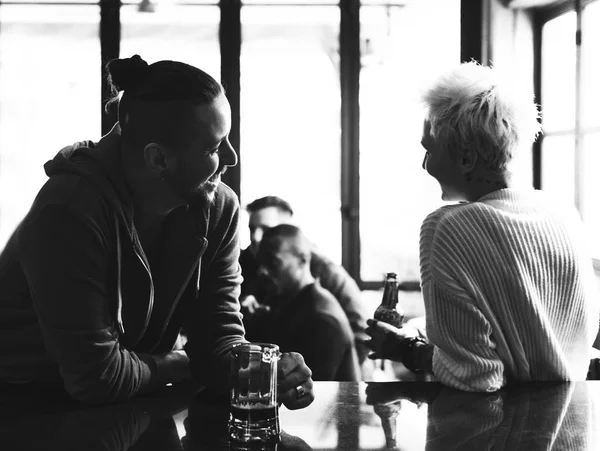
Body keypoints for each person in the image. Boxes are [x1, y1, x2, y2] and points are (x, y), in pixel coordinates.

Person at [0, 54, 314, 407]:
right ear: (159, 160)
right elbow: (96, 377)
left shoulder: (218, 207)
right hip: (26, 410)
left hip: (133, 402)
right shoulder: (68, 210)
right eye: (213, 147)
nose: (231, 157)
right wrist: (180, 363)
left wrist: (263, 370)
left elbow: (219, 341)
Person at [365, 61, 600, 392]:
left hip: (501, 434)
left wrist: (406, 350)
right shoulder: (565, 214)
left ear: (465, 159)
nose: (425, 164)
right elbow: (534, 327)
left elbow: (476, 377)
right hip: (578, 430)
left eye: (429, 150)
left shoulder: (447, 227)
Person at [239, 195, 369, 363]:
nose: (256, 237)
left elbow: (361, 331)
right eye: (252, 229)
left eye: (266, 229)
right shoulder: (244, 262)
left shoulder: (325, 270)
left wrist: (341, 377)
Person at [255, 224, 361, 381]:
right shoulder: (287, 301)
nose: (262, 271)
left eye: (273, 262)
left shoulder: (321, 318)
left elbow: (312, 393)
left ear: (303, 259)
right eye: (261, 262)